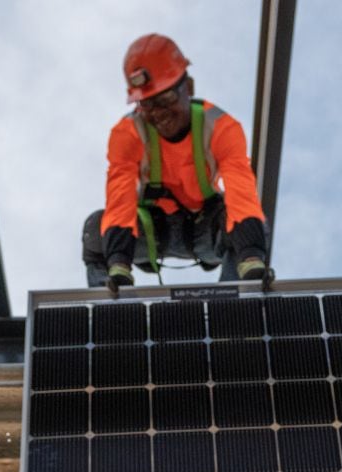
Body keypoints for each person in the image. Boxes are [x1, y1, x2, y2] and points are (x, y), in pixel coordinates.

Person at [83, 34, 272, 289]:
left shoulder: (220, 127)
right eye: (148, 104)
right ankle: (112, 315)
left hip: (205, 229)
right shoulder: (127, 134)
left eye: (167, 98)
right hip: (151, 232)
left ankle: (232, 313)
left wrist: (251, 256)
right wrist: (119, 262)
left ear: (189, 87)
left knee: (254, 227)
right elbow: (120, 197)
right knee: (96, 230)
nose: (159, 112)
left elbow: (241, 194)